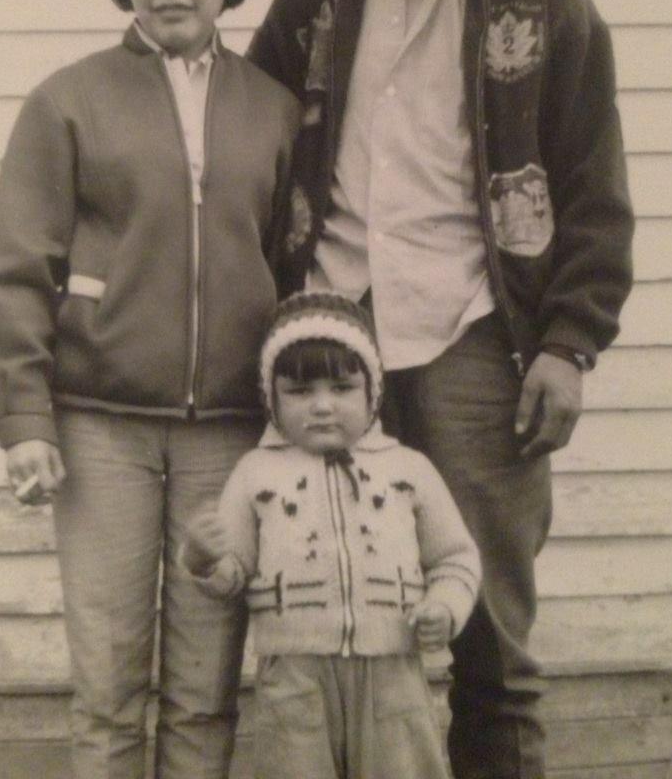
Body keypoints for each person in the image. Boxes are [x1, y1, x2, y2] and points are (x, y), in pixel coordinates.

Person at [247, 0, 634, 779]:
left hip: (475, 342)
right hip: (330, 346)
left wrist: (569, 343)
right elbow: (246, 170)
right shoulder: (311, 1)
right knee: (321, 642)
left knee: (491, 650)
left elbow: (595, 187)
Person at [0, 0, 301, 779]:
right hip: (100, 434)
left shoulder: (274, 111)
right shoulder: (67, 102)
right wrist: (24, 418)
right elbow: (19, 269)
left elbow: (294, 270)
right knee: (109, 690)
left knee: (205, 692)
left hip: (228, 438)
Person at [182, 291, 482, 779]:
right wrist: (204, 559)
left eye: (342, 388)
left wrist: (445, 607)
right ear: (272, 398)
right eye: (300, 391)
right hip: (294, 679)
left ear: (372, 392)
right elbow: (232, 575)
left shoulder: (410, 469)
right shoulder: (255, 473)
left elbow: (455, 559)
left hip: (392, 676)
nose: (322, 406)